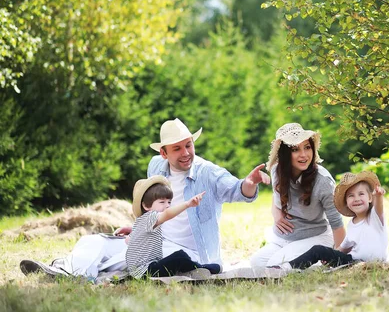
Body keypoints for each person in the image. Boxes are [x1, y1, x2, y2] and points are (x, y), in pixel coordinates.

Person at [20, 118, 270, 279]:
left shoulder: (208, 172)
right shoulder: (155, 168)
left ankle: (75, 271)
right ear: (163, 153)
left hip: (189, 251)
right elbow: (150, 206)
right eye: (177, 149)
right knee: (95, 240)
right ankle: (64, 269)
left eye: (189, 145)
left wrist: (250, 183)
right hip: (156, 237)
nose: (186, 153)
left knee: (125, 259)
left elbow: (238, 190)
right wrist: (138, 225)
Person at [249, 123, 346, 267]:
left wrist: (338, 256)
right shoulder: (277, 171)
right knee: (257, 263)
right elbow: (275, 198)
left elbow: (337, 223)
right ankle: (303, 264)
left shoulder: (322, 181)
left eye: (307, 147)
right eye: (295, 149)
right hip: (284, 238)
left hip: (315, 237)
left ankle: (315, 261)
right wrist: (277, 215)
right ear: (284, 154)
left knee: (278, 265)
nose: (303, 155)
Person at [275, 171, 387, 270]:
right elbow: (343, 248)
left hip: (366, 263)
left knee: (320, 251)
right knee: (318, 250)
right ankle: (288, 267)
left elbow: (379, 208)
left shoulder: (374, 217)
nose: (356, 198)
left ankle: (289, 267)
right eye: (351, 196)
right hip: (353, 262)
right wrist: (328, 256)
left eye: (361, 194)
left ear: (370, 198)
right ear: (346, 203)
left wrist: (379, 196)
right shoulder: (352, 224)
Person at [126, 175, 220, 279]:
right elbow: (167, 214)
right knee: (180, 256)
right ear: (146, 206)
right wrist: (187, 204)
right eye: (162, 202)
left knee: (174, 259)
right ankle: (199, 268)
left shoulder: (141, 221)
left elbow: (128, 240)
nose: (167, 206)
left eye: (169, 202)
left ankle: (191, 269)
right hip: (147, 271)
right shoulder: (151, 217)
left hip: (139, 271)